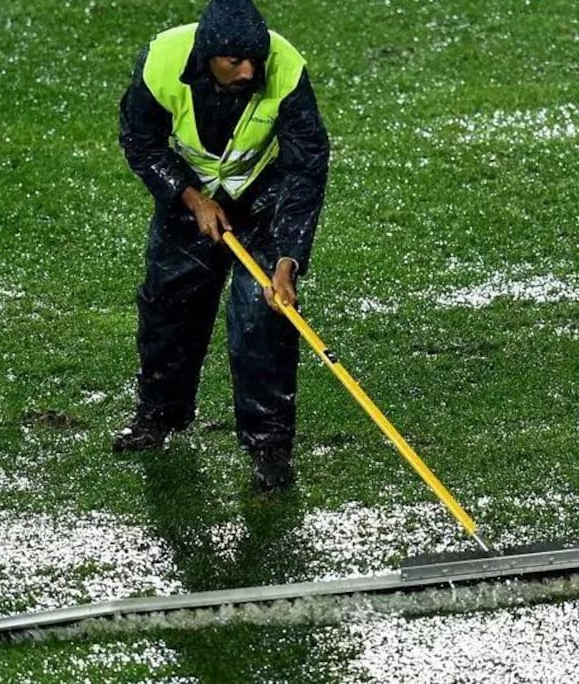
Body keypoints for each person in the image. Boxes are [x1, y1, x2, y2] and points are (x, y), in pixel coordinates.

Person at [113, 0, 329, 493]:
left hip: (264, 195)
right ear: (207, 56)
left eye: (255, 60)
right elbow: (141, 142)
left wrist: (287, 261)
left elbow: (306, 167)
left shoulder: (287, 70)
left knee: (263, 316)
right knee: (169, 302)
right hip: (191, 197)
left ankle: (269, 447)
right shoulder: (161, 62)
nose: (250, 70)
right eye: (235, 62)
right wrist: (191, 198)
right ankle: (160, 416)